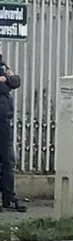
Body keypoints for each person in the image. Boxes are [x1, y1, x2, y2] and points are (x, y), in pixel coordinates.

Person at [0, 54, 26, 212]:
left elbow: (15, 81)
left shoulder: (2, 63)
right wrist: (5, 81)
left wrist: (6, 79)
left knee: (8, 161)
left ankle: (8, 198)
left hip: (4, 122)